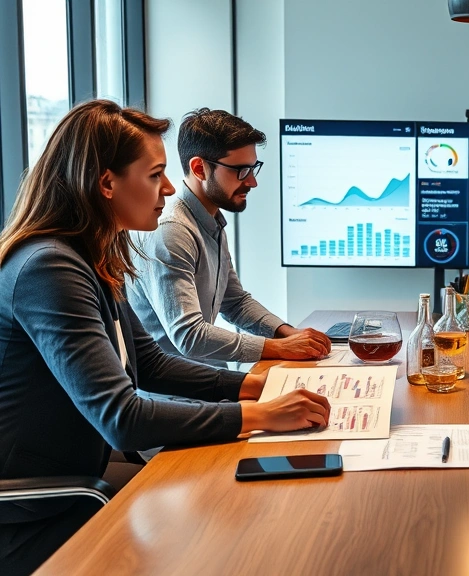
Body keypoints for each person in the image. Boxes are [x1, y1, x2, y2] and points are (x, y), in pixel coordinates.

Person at [0, 100, 331, 576]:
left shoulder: (88, 256)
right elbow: (122, 418)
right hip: (38, 505)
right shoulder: (49, 268)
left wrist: (256, 386)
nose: (170, 187)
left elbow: (150, 363)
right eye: (155, 175)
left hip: (81, 470)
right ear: (106, 183)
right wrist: (259, 414)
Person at [126, 108, 330, 367]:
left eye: (253, 168)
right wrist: (278, 347)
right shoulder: (172, 230)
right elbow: (189, 336)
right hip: (177, 397)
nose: (252, 182)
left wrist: (289, 333)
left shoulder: (210, 221)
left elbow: (234, 302)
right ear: (200, 168)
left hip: (208, 379)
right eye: (241, 170)